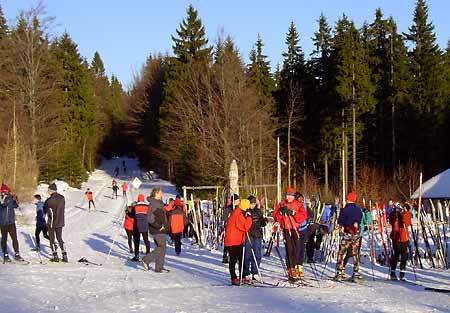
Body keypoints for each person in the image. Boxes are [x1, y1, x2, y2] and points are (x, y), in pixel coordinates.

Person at [273, 187, 307, 282]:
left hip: (295, 228)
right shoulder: (282, 204)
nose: (289, 197)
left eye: (291, 195)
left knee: (296, 249)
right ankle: (291, 269)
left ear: (293, 196)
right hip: (286, 229)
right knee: (289, 249)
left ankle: (295, 266)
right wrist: (280, 213)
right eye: (287, 195)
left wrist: (293, 213)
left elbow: (303, 217)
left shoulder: (298, 205)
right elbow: (276, 216)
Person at [335, 191, 363, 281]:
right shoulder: (358, 210)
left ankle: (339, 272)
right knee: (355, 253)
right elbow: (360, 220)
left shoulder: (345, 209)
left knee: (341, 252)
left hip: (347, 233)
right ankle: (355, 273)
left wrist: (339, 226)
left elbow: (340, 221)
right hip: (356, 234)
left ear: (347, 199)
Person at [224, 198, 252, 285]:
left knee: (241, 259)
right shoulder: (238, 214)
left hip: (237, 240)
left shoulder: (239, 212)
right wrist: (249, 218)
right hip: (232, 241)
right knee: (233, 260)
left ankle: (242, 276)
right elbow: (245, 227)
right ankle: (234, 278)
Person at [142, 188, 169, 272]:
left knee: (161, 248)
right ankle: (146, 259)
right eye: (161, 192)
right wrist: (158, 226)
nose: (162, 194)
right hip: (158, 230)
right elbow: (149, 218)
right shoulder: (154, 203)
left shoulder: (158, 203)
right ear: (156, 193)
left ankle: (159, 268)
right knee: (161, 247)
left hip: (161, 229)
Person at [243, 195, 267, 282]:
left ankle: (255, 272)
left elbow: (262, 222)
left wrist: (264, 222)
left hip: (257, 235)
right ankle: (246, 272)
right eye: (251, 204)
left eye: (253, 204)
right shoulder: (246, 211)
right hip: (249, 234)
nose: (252, 205)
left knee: (257, 254)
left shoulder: (258, 211)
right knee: (247, 254)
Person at [44, 183, 67, 262]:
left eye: (48, 190)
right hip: (60, 221)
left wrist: (46, 201)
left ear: (51, 191)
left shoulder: (49, 200)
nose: (47, 191)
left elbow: (45, 210)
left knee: (52, 239)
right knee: (60, 238)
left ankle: (55, 256)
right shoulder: (62, 198)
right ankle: (65, 255)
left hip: (52, 222)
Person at [0, 183, 24, 262]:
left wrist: (15, 199)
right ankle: (5, 254)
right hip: (3, 222)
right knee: (4, 239)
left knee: (14, 238)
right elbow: (3, 204)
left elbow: (16, 206)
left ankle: (17, 254)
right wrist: (4, 197)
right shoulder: (1, 197)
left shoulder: (10, 198)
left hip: (11, 222)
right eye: (5, 191)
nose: (6, 192)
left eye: (7, 191)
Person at [389, 202, 412, 280]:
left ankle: (402, 274)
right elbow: (391, 221)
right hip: (396, 237)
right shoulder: (394, 213)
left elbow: (406, 222)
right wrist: (395, 210)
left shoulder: (407, 214)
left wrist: (403, 213)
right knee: (396, 255)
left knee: (404, 256)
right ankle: (392, 273)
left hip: (404, 237)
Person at [295, 193, 312, 277]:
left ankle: (300, 267)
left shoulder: (304, 205)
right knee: (297, 249)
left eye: (302, 199)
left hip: (304, 229)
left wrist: (309, 220)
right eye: (299, 199)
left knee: (302, 249)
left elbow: (310, 214)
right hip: (296, 229)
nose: (301, 200)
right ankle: (294, 267)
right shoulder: (294, 205)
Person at [130, 194, 150, 261]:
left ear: (138, 199)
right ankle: (148, 254)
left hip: (137, 226)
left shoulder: (135, 207)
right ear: (143, 199)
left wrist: (128, 213)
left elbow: (132, 215)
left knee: (136, 241)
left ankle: (137, 255)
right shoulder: (147, 206)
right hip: (145, 225)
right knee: (146, 240)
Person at [222, 194, 240, 263]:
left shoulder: (238, 208)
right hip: (229, 228)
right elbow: (225, 218)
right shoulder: (228, 209)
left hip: (237, 228)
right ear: (234, 201)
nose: (239, 201)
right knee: (228, 242)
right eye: (237, 200)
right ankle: (225, 255)